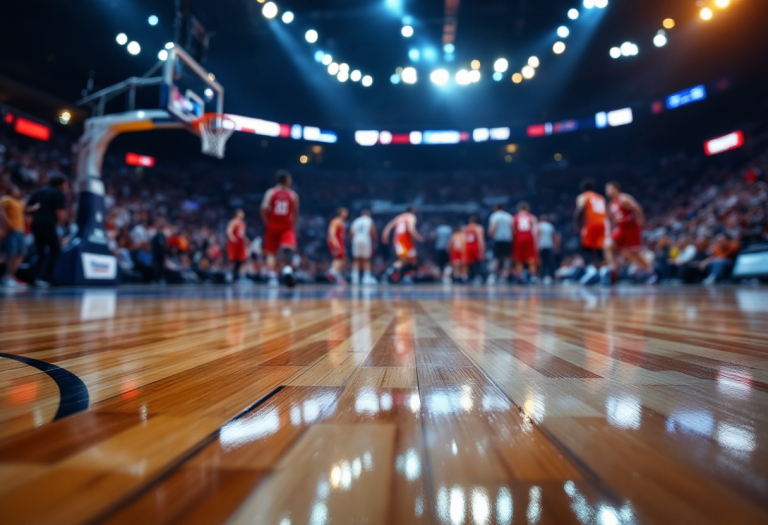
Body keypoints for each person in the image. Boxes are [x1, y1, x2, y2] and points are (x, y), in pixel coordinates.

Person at [603, 181, 654, 284]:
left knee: (635, 253)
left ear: (616, 188)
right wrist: (612, 229)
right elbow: (612, 219)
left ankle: (650, 273)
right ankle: (613, 272)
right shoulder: (611, 204)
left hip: (631, 227)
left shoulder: (624, 198)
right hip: (621, 228)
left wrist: (641, 222)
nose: (607, 191)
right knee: (608, 245)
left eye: (609, 188)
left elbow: (637, 208)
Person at [27, 174, 67, 287]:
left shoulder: (39, 191)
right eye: (65, 183)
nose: (66, 186)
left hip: (36, 224)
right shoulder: (58, 193)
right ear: (60, 184)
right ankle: (46, 277)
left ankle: (36, 278)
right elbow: (60, 213)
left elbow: (27, 208)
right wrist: (64, 228)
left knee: (40, 251)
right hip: (48, 224)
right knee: (55, 249)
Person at [261, 170, 299, 287]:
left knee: (271, 253)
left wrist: (266, 221)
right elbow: (295, 213)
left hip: (272, 225)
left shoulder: (271, 193)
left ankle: (272, 278)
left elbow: (264, 207)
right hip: (286, 226)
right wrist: (294, 226)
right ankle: (287, 269)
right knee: (290, 248)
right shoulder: (292, 195)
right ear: (287, 180)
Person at [574, 180, 607, 285]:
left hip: (591, 223)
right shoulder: (600, 198)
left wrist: (577, 223)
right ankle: (604, 271)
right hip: (603, 223)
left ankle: (591, 271)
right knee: (599, 249)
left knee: (585, 248)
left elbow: (580, 209)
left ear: (583, 189)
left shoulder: (583, 196)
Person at [382, 206, 423, 284]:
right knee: (404, 260)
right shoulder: (411, 217)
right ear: (412, 210)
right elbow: (411, 229)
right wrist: (417, 236)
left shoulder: (399, 217)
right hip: (405, 240)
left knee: (411, 260)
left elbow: (389, 226)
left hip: (398, 240)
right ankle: (389, 274)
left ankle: (405, 276)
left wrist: (385, 235)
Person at [1, 185, 29, 288]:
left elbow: (25, 209)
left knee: (21, 253)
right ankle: (7, 277)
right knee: (12, 253)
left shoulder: (19, 203)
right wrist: (7, 224)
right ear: (11, 191)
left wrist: (33, 208)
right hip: (11, 230)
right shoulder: (7, 199)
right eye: (15, 189)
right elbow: (1, 210)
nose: (17, 191)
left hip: (20, 230)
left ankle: (11, 276)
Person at [512, 201, 539, 283]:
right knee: (531, 258)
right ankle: (532, 276)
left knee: (519, 259)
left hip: (518, 238)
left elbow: (513, 231)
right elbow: (536, 230)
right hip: (529, 238)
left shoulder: (515, 217)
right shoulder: (532, 217)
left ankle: (520, 276)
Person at [349, 209, 378, 285]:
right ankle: (366, 278)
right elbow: (372, 231)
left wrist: (352, 241)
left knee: (356, 259)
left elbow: (351, 232)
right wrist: (375, 241)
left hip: (356, 239)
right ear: (368, 214)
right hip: (365, 239)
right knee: (366, 259)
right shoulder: (369, 220)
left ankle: (355, 278)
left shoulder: (356, 220)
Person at [487, 204, 513, 285]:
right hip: (508, 239)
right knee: (507, 258)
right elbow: (513, 228)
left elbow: (493, 227)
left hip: (498, 239)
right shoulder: (509, 216)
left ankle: (493, 276)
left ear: (495, 208)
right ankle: (504, 277)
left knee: (496, 258)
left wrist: (492, 235)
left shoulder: (495, 215)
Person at [327, 207, 349, 284]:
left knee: (340, 258)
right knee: (341, 258)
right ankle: (331, 272)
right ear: (341, 212)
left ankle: (337, 276)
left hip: (340, 241)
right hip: (336, 241)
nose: (346, 213)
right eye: (345, 211)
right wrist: (335, 244)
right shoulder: (335, 221)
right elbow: (332, 233)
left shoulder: (342, 222)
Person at [226, 209, 248, 283]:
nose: (242, 213)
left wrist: (247, 241)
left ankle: (236, 275)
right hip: (235, 243)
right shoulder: (233, 222)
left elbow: (242, 235)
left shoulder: (242, 223)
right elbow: (229, 231)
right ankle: (230, 275)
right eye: (241, 212)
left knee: (241, 260)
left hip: (241, 244)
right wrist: (232, 238)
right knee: (233, 260)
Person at [463, 216, 485, 283]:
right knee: (478, 262)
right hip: (475, 246)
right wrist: (482, 248)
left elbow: (463, 239)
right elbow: (480, 239)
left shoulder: (465, 228)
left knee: (469, 263)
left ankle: (470, 277)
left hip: (467, 246)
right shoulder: (478, 228)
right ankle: (478, 277)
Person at [538, 215, 559, 285]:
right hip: (549, 245)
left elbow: (537, 235)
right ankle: (552, 277)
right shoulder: (550, 226)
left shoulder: (539, 225)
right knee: (550, 261)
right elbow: (554, 236)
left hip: (541, 246)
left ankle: (542, 276)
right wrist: (556, 245)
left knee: (542, 262)